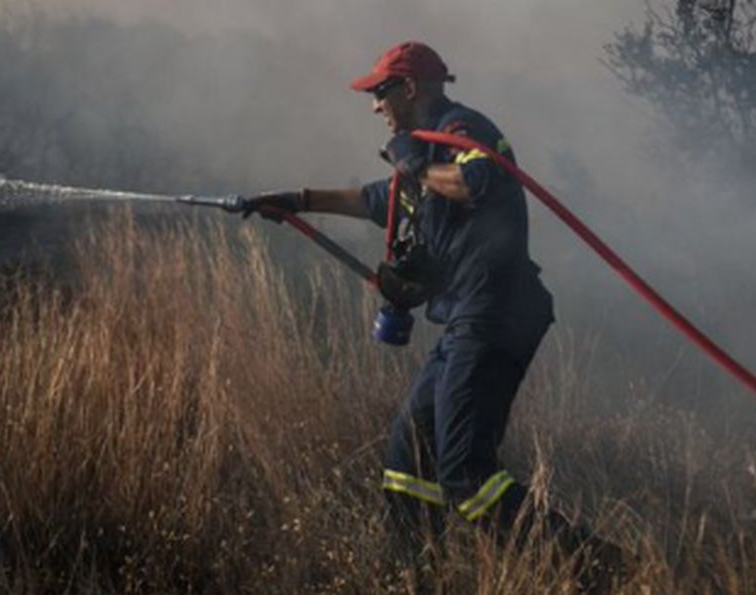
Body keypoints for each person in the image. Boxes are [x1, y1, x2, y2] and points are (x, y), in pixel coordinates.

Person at [242, 41, 610, 578]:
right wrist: (294, 198)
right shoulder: (419, 156)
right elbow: (373, 199)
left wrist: (415, 163)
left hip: (497, 314)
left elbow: (473, 182)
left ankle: (597, 569)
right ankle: (418, 578)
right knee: (406, 460)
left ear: (410, 88)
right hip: (465, 319)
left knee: (465, 472)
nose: (375, 106)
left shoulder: (462, 129)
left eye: (380, 92)